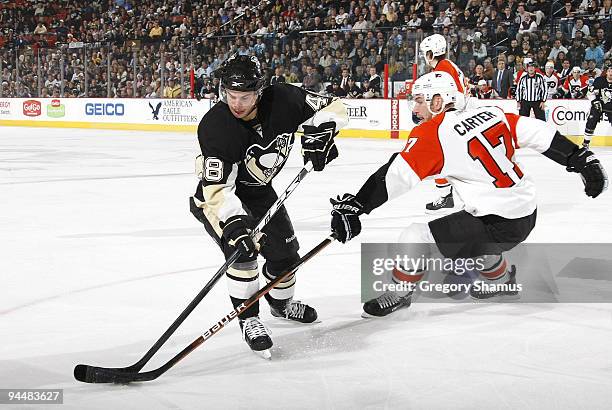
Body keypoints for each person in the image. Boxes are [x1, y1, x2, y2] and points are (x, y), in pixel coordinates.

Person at [329, 71, 608, 317]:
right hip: (526, 211)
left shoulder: (433, 132)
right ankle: (502, 282)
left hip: (498, 220)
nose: (414, 107)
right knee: (474, 236)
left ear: (438, 101)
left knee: (416, 236)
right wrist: (578, 157)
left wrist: (357, 205)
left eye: (419, 100)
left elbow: (395, 176)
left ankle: (401, 293)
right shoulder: (490, 113)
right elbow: (536, 131)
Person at [189, 55, 348, 355]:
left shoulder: (285, 99)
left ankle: (281, 304)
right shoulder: (216, 126)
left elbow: (333, 107)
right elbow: (217, 188)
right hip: (220, 199)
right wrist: (234, 224)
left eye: (245, 97)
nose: (236, 103)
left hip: (260, 192)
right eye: (231, 96)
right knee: (243, 254)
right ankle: (249, 319)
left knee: (286, 256)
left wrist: (322, 132)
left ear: (259, 91)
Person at [419, 33, 469, 214]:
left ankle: (447, 197)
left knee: (439, 156)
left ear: (431, 53)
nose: (425, 57)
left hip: (452, 117)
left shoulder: (443, 69)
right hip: (456, 116)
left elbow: (451, 97)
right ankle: (449, 196)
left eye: (426, 53)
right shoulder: (447, 66)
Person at [583, 64, 612, 149]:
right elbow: (590, 93)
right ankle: (586, 143)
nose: (611, 73)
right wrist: (594, 101)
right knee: (591, 121)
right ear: (606, 72)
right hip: (599, 105)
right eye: (610, 71)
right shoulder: (599, 80)